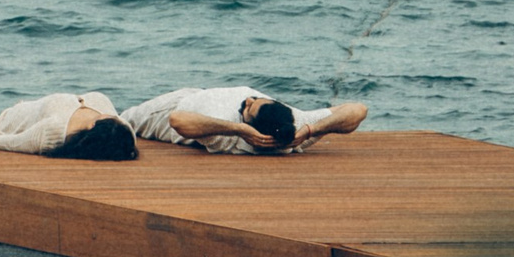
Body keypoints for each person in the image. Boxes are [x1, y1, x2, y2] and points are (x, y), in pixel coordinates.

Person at [118, 87, 369, 155]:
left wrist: (237, 128)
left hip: (183, 103)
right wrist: (311, 130)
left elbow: (177, 119)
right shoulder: (294, 127)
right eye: (257, 99)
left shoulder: (223, 131)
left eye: (248, 107)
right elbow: (357, 110)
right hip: (206, 97)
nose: (249, 99)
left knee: (121, 123)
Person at [0, 92, 140, 161]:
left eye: (108, 118)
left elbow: (15, 142)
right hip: (56, 103)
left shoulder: (52, 132)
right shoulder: (124, 131)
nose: (111, 115)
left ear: (92, 125)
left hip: (26, 117)